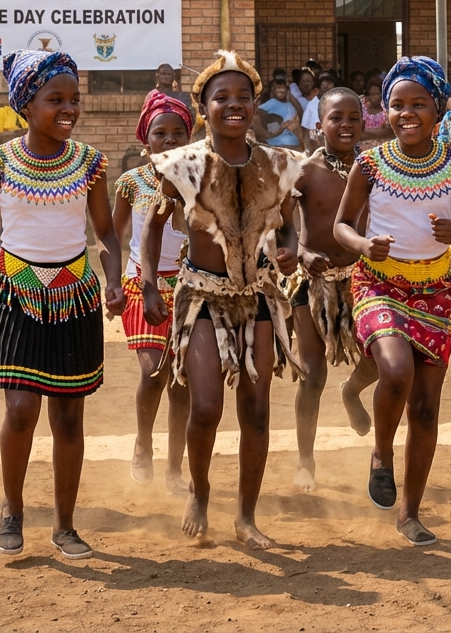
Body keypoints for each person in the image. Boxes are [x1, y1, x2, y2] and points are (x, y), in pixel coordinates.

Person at [0, 49, 124, 560]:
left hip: (75, 300)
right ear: (27, 104)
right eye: (55, 99)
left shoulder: (90, 163)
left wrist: (114, 278)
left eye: (74, 100)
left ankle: (65, 525)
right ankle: (12, 508)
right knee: (21, 411)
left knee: (69, 418)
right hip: (14, 297)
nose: (68, 109)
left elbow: (106, 232)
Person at [142, 50, 302, 549]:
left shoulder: (278, 164)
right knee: (207, 406)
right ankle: (200, 492)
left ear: (255, 105)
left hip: (257, 296)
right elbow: (151, 226)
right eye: (221, 97)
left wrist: (292, 248)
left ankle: (247, 516)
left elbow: (290, 221)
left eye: (243, 97)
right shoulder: (183, 165)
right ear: (203, 107)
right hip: (202, 297)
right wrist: (149, 281)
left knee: (255, 408)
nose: (234, 105)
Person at [332, 57, 451, 546]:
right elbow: (342, 224)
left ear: (437, 110)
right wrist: (361, 245)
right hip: (379, 285)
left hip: (436, 291)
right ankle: (381, 453)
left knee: (424, 410)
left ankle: (410, 513)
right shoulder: (370, 163)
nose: (407, 113)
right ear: (387, 111)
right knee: (395, 371)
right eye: (397, 104)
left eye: (418, 104)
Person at [288, 87, 378, 490]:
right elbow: (279, 227)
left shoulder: (372, 167)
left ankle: (353, 391)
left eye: (353, 118)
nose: (345, 125)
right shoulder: (305, 171)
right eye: (335, 118)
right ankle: (305, 461)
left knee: (383, 356)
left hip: (362, 279)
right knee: (312, 374)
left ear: (363, 122)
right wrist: (303, 254)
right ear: (318, 124)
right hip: (313, 283)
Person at [113, 90, 193, 497]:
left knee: (183, 382)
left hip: (192, 289)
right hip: (142, 285)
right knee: (153, 371)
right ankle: (143, 442)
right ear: (147, 140)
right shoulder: (131, 183)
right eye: (160, 133)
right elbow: (111, 235)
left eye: (178, 133)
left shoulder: (199, 180)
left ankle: (175, 469)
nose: (170, 140)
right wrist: (113, 282)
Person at [256, 75, 304, 150]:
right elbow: (257, 112)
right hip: (276, 141)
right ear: (274, 90)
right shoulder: (272, 102)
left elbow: (300, 111)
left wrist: (290, 95)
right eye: (278, 88)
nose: (281, 90)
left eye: (283, 88)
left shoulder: (290, 104)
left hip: (293, 139)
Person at [300, 70, 340, 145]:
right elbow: (305, 129)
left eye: (330, 82)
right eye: (324, 82)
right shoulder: (312, 104)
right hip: (315, 145)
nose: (327, 85)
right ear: (320, 84)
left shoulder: (338, 103)